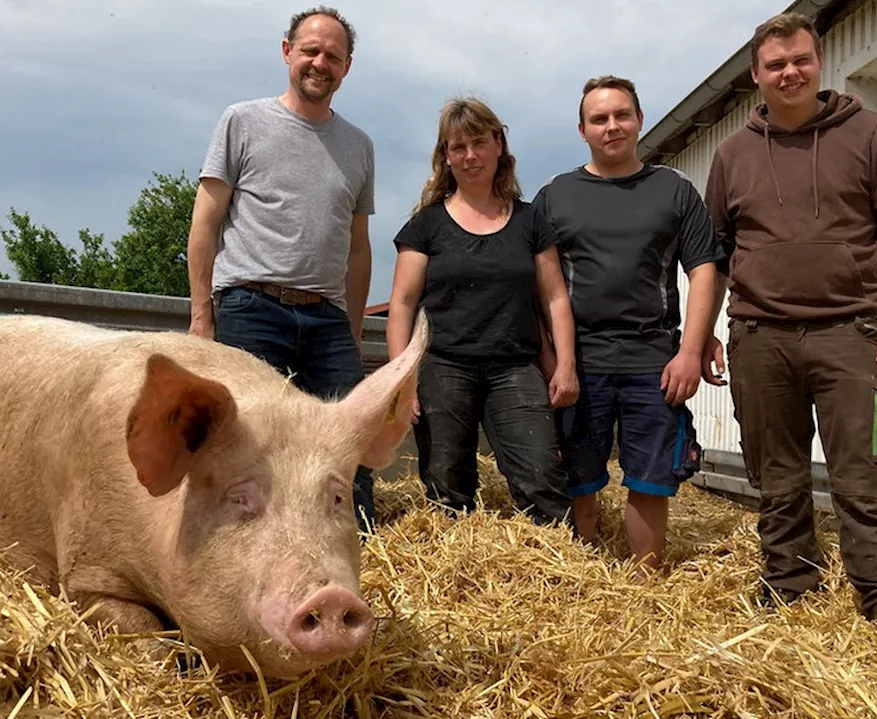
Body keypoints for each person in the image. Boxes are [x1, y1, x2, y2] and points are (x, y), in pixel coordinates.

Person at [702, 12, 877, 626]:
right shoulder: (732, 154)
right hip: (758, 335)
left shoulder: (868, 132)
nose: (789, 72)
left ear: (818, 62)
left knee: (863, 473)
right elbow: (715, 256)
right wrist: (700, 337)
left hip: (849, 331)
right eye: (775, 64)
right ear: (757, 75)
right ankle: (789, 583)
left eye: (799, 59)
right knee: (775, 477)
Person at [186, 6, 378, 532]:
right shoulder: (242, 121)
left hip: (326, 318)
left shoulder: (359, 146)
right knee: (245, 444)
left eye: (333, 56)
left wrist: (353, 330)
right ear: (287, 51)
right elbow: (204, 223)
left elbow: (358, 249)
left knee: (348, 441)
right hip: (251, 306)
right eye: (311, 50)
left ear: (347, 67)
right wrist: (202, 319)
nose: (321, 63)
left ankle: (360, 547)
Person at [533, 76, 721, 573]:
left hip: (653, 361)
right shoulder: (555, 196)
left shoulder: (674, 189)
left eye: (622, 115)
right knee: (579, 479)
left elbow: (704, 270)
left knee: (650, 479)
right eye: (599, 118)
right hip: (580, 364)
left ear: (639, 120)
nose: (612, 126)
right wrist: (554, 361)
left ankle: (645, 585)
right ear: (582, 130)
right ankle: (584, 580)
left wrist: (690, 350)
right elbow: (540, 288)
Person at [384, 97, 579, 528]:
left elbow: (555, 299)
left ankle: (557, 571)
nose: (470, 156)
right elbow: (401, 304)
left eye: (478, 143)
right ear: (446, 158)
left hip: (515, 367)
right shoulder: (426, 226)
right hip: (444, 365)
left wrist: (565, 365)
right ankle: (454, 578)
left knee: (541, 477)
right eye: (458, 147)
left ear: (498, 146)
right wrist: (401, 380)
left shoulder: (531, 222)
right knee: (446, 482)